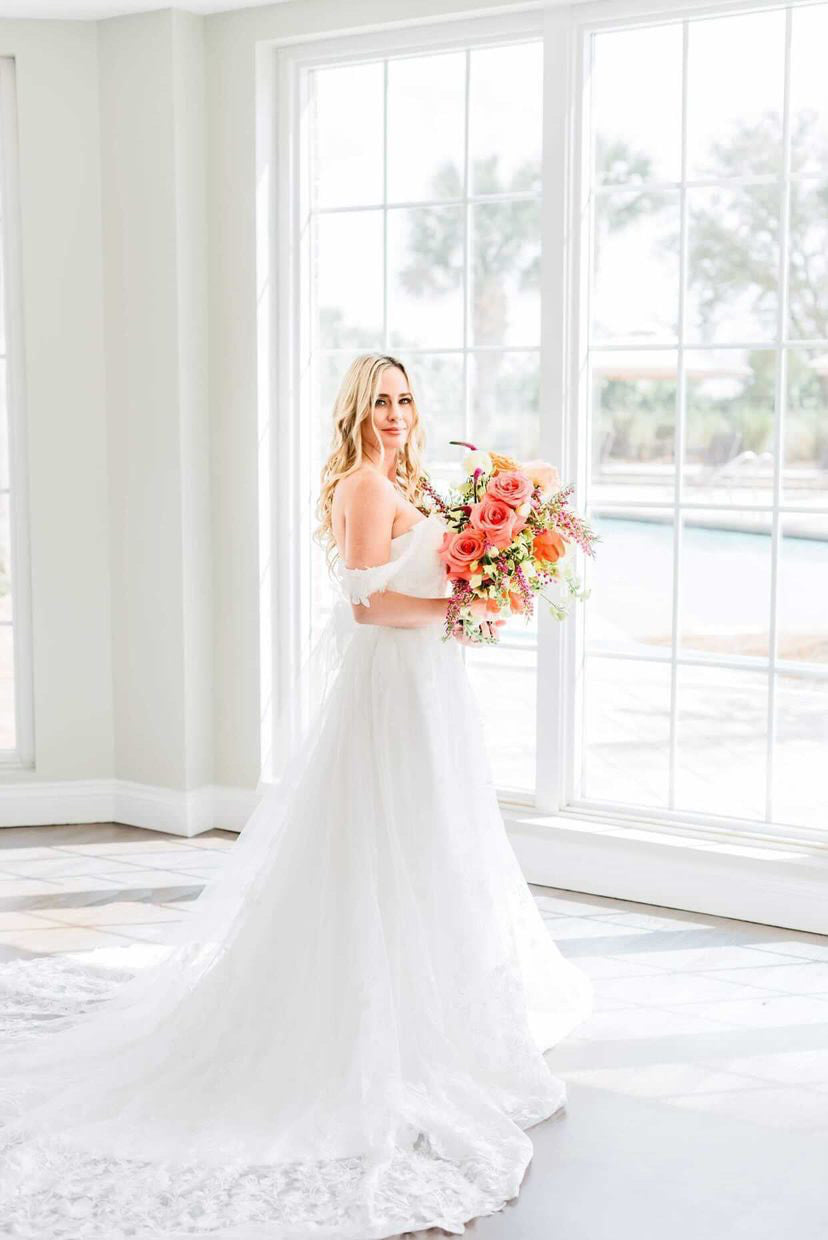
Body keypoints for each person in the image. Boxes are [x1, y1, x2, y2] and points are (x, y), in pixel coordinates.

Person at [0, 351, 593, 1239]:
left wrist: (476, 580)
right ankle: (364, 1019)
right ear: (356, 411)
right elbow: (364, 605)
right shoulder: (363, 484)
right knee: (385, 842)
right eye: (380, 401)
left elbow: (439, 567)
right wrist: (459, 609)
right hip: (390, 688)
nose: (394, 413)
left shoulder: (418, 481)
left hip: (430, 690)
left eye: (404, 399)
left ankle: (439, 1016)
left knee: (437, 848)